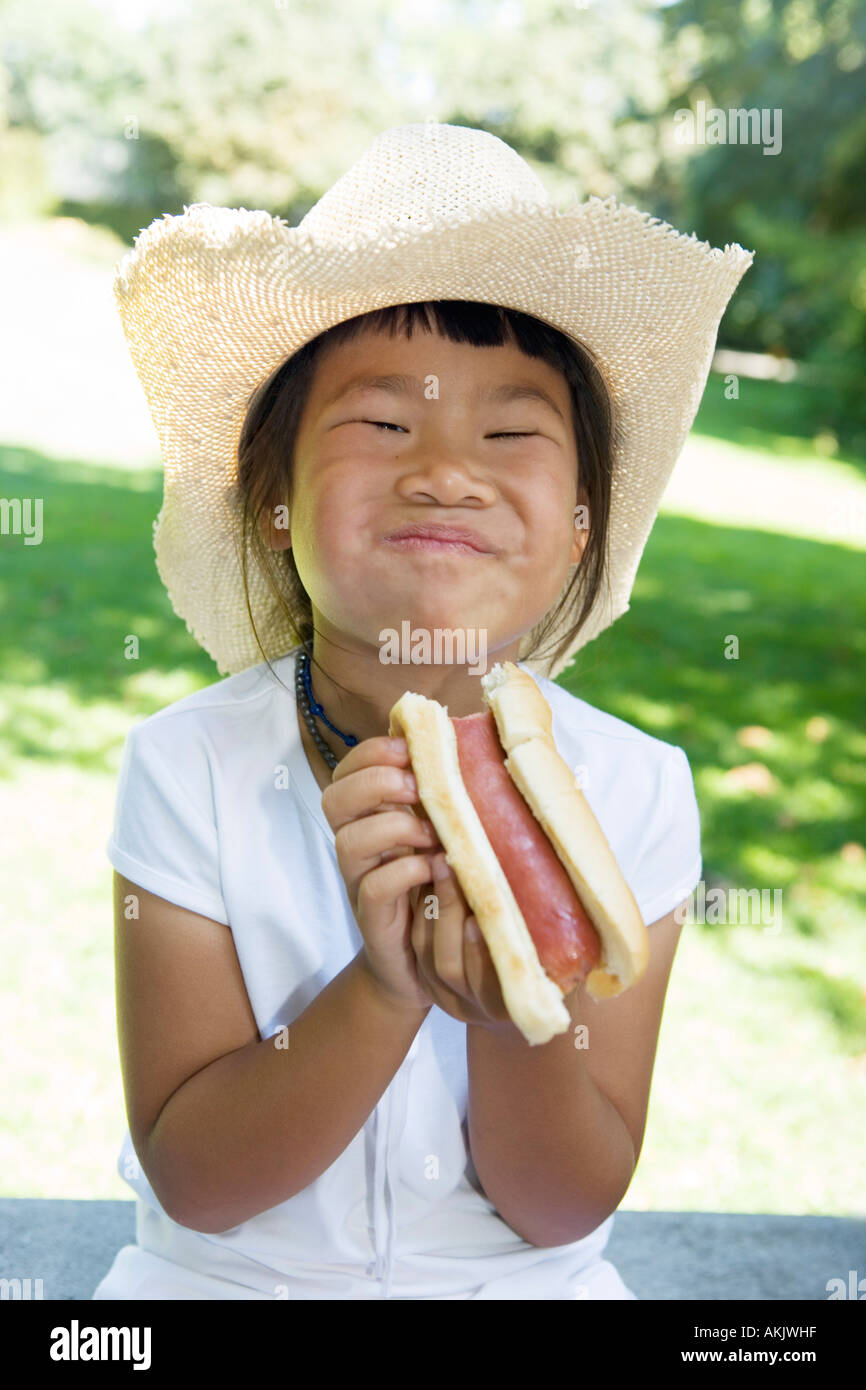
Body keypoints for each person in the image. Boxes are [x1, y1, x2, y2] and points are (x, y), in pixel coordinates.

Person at [91, 121, 753, 1300]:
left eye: (510, 433)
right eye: (382, 423)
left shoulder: (639, 789)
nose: (445, 469)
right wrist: (383, 991)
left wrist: (508, 1005)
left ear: (579, 532)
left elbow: (561, 1203)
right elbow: (195, 1180)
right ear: (273, 505)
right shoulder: (187, 765)